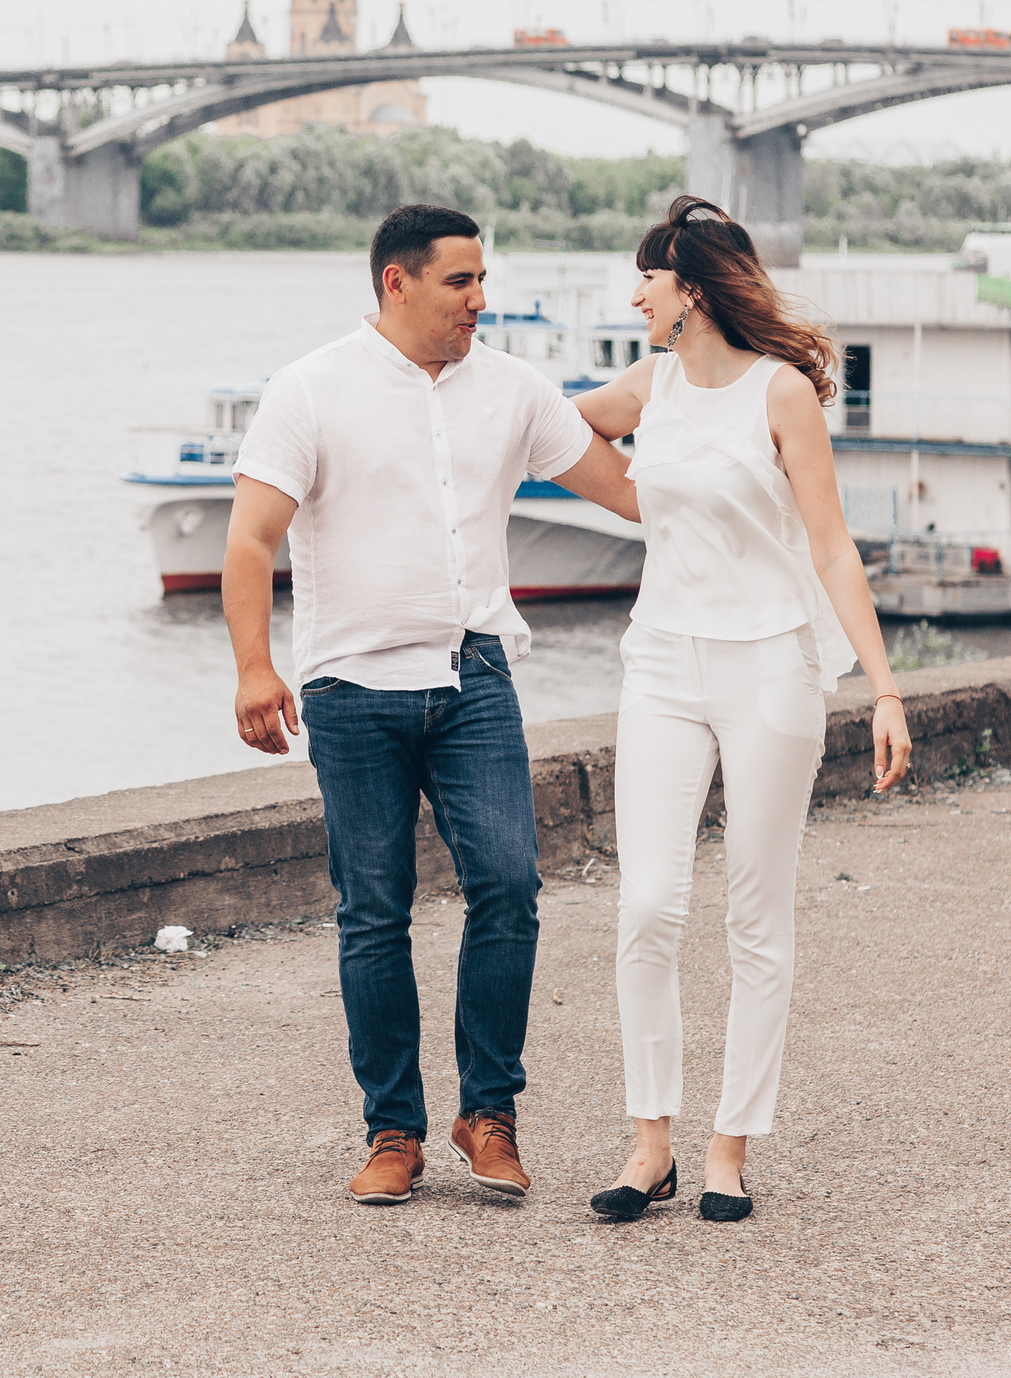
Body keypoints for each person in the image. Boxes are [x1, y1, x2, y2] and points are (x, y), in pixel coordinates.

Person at [223, 203, 639, 1207]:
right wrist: (252, 667)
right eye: (461, 282)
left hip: (473, 677)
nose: (481, 301)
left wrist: (754, 458)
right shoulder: (310, 389)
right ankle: (393, 1131)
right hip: (351, 686)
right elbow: (249, 540)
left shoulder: (513, 390)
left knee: (509, 885)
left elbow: (627, 493)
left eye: (482, 278)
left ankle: (486, 1115)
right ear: (396, 282)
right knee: (374, 911)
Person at [572, 195, 913, 1225]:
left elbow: (830, 547)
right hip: (663, 664)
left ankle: (727, 1149)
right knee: (647, 910)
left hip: (770, 664)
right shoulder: (647, 384)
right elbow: (544, 430)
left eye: (647, 279)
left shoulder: (780, 394)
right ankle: (649, 1145)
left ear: (692, 290)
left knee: (754, 917)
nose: (634, 294)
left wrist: (883, 687)